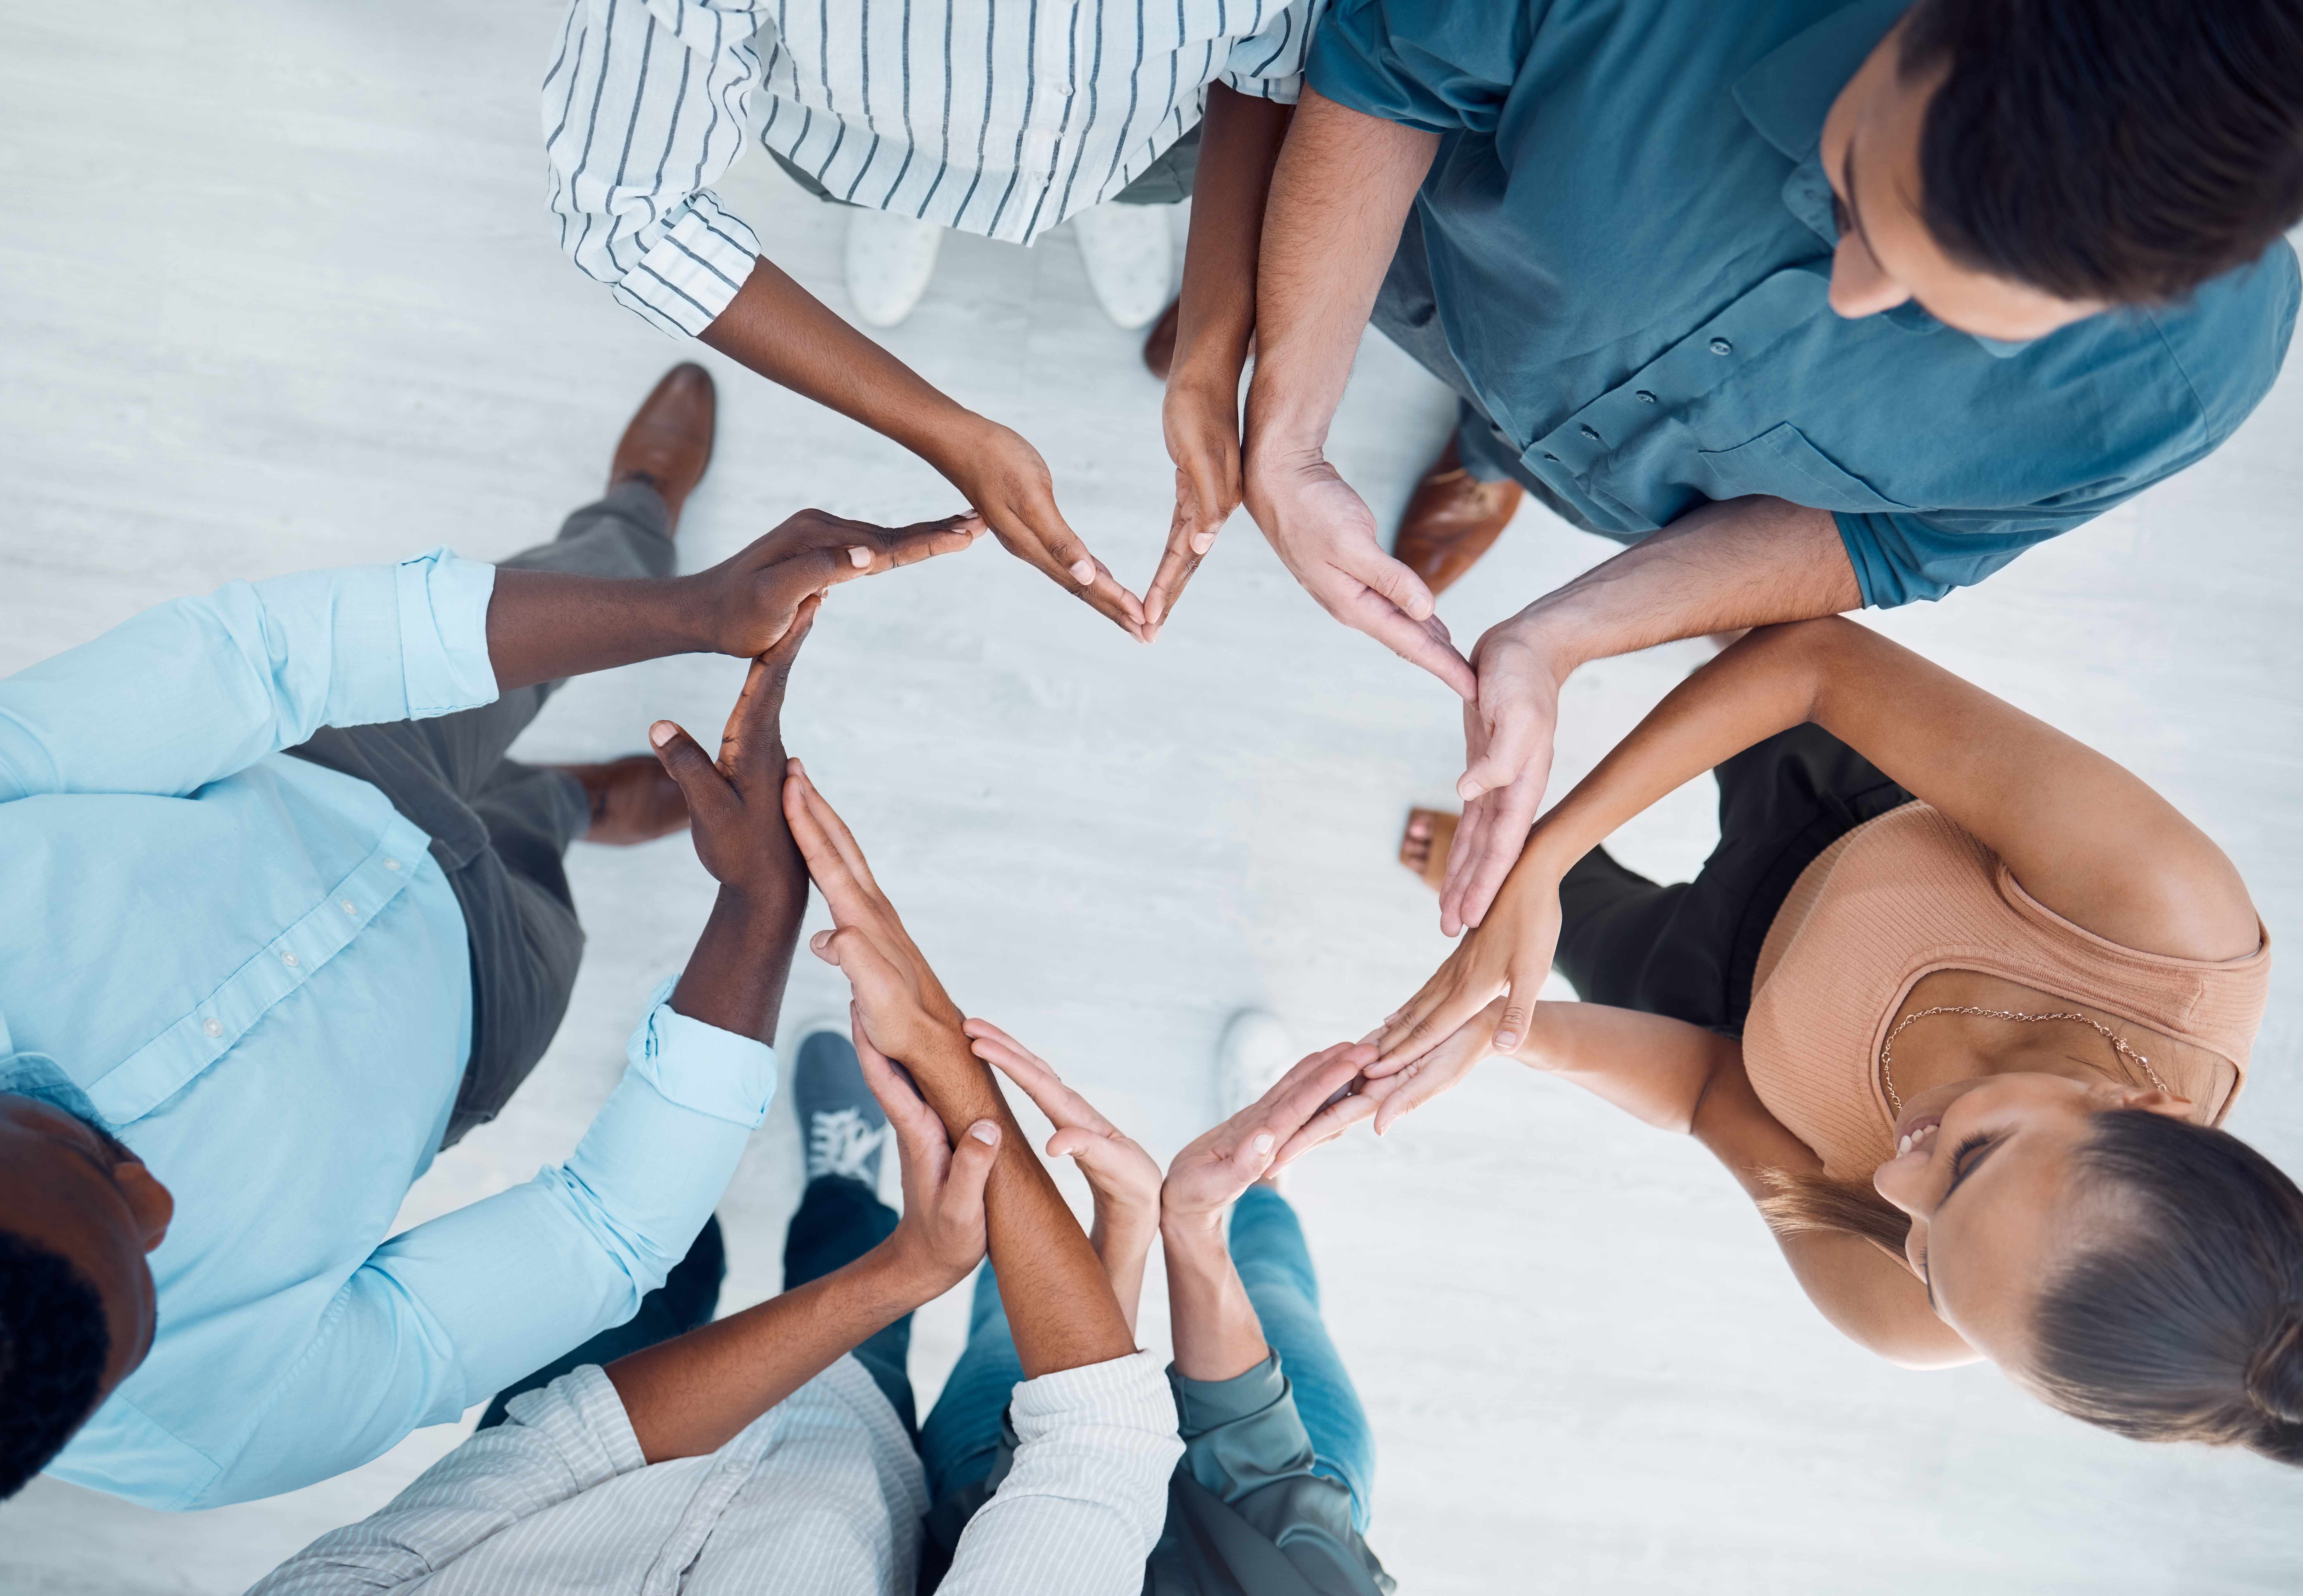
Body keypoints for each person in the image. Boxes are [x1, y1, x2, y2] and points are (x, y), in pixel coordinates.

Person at [0, 365, 980, 1508]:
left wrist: (692, 614)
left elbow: (254, 660)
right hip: (489, 977)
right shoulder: (213, 1438)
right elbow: (601, 1235)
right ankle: (582, 804)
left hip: (333, 748)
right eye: (157, 1268)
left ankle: (638, 515)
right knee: (542, 831)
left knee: (584, 589)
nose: (161, 1197)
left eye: (78, 1153)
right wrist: (759, 904)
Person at [1215, 0, 2303, 935]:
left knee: (1531, 441)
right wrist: (1287, 412)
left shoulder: (2185, 382)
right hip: (1437, 261)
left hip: (1631, 475)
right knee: (1310, 258)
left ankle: (1491, 459)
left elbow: (1896, 536)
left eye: (1947, 312)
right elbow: (1389, 60)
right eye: (1862, 201)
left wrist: (1563, 635)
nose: (1855, 297)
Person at [1351, 617, 2303, 1464]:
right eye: (1968, 1164)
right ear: (2142, 1105)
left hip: (1724, 1021)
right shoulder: (2166, 924)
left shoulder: (1901, 1319)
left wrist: (1503, 1034)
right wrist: (1544, 845)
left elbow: (1704, 1095)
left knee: (1590, 939)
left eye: (1926, 1258)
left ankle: (1560, 882)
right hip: (1854, 802)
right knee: (1735, 583)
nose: (1891, 1185)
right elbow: (1815, 665)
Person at [250, 766, 1179, 1596]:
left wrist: (906, 1271)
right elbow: (1096, 1451)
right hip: (848, 1450)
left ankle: (691, 1174)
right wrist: (940, 1053)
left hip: (593, 1404)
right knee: (850, 1232)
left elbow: (565, 1448)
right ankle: (834, 1183)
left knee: (650, 1263)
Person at [544, 0, 1320, 641]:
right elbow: (625, 217)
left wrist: (1209, 359)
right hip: (868, 134)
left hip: (1149, 132)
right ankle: (904, 197)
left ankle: (1100, 195)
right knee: (875, 173)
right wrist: (947, 432)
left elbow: (1269, 54)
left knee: (1142, 180)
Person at [952, 1012, 1395, 1593]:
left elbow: (1051, 1477)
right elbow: (1270, 1489)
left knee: (1002, 1323)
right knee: (1273, 1289)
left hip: (1007, 1488)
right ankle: (1261, 1176)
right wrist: (1193, 1227)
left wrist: (1123, 1223)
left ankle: (1029, 1199)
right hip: (1283, 1505)